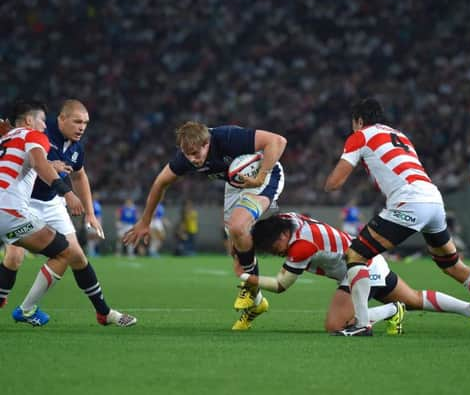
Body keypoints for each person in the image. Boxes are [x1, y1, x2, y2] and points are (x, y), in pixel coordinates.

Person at [323, 98, 470, 337]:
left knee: (356, 254)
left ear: (358, 121)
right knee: (453, 265)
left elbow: (334, 183)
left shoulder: (360, 135)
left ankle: (362, 324)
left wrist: (328, 183)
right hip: (433, 199)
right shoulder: (400, 135)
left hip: (409, 202)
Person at [123, 121, 286, 328]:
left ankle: (251, 286)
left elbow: (278, 141)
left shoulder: (227, 138)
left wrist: (260, 177)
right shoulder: (185, 158)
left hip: (265, 175)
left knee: (238, 227)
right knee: (236, 253)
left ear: (207, 143)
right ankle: (257, 304)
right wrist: (145, 221)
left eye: (195, 153)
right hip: (235, 184)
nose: (192, 159)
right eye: (187, 154)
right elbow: (160, 183)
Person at [236, 212, 470, 333]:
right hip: (370, 260)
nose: (276, 252)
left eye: (275, 246)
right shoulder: (287, 219)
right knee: (414, 299)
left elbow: (281, 285)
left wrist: (247, 278)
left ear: (283, 235)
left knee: (336, 325)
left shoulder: (301, 246)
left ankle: (392, 311)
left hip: (357, 270)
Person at [0, 99, 136, 327]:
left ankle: (104, 312)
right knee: (15, 257)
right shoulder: (40, 133)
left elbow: (79, 176)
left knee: (76, 255)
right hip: (23, 202)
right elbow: (37, 162)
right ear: (60, 119)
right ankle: (16, 304)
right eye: (77, 121)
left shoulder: (75, 147)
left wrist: (90, 213)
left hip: (50, 202)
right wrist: (64, 187)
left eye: (85, 123)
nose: (82, 127)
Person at [86, 192, 103, 257]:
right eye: (95, 195)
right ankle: (91, 252)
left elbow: (99, 215)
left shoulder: (97, 204)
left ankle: (94, 252)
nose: (97, 197)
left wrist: (100, 222)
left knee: (96, 237)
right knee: (91, 236)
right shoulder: (90, 204)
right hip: (90, 222)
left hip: (96, 222)